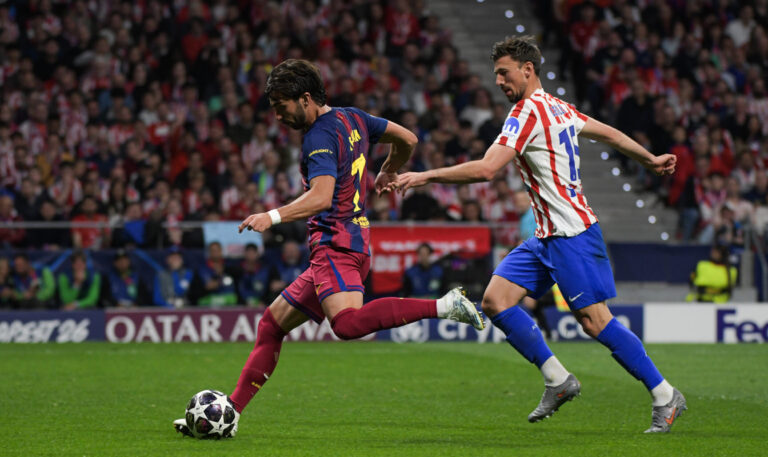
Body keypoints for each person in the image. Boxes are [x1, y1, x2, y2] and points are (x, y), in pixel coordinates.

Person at [173, 59, 483, 436]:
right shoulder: (353, 118)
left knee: (347, 325)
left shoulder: (318, 137)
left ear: (305, 99)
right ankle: (232, 412)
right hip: (350, 240)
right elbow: (408, 139)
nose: (277, 117)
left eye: (281, 106)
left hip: (335, 243)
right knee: (271, 325)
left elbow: (321, 197)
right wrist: (389, 168)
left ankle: (444, 305)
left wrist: (270, 217)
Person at [394, 37, 685, 433]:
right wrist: (649, 160)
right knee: (496, 301)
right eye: (496, 72)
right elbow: (611, 135)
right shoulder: (560, 107)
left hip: (572, 234)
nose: (498, 80)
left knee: (595, 322)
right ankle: (557, 380)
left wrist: (424, 175)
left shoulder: (526, 112)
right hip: (547, 236)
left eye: (503, 72)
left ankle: (665, 395)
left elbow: (486, 169)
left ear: (527, 70)